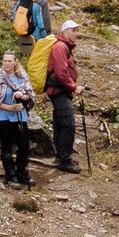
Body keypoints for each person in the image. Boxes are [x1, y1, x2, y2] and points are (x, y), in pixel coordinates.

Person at [0, 50, 34, 188]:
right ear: (2, 61)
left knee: (24, 146)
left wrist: (24, 97)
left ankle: (22, 173)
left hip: (20, 116)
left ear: (15, 62)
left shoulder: (22, 77)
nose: (7, 63)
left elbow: (29, 94)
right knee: (6, 147)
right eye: (5, 60)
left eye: (10, 61)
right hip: (3, 116)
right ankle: (11, 175)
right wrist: (9, 107)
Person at [46, 21, 82, 174]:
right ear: (65, 31)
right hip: (59, 91)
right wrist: (73, 87)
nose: (76, 33)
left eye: (77, 30)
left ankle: (61, 156)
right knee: (68, 124)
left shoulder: (63, 46)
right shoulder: (60, 47)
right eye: (74, 30)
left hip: (59, 90)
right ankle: (65, 161)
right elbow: (61, 72)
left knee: (60, 124)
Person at [15, 0, 55, 94]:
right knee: (38, 65)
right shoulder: (41, 2)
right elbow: (43, 23)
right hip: (37, 39)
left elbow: (13, 18)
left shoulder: (19, 0)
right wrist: (47, 37)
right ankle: (37, 88)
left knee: (25, 62)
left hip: (22, 37)